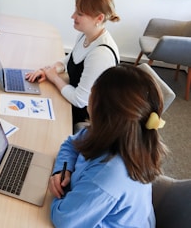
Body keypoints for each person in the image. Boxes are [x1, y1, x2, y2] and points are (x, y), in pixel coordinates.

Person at [48, 64, 168, 227]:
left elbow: (64, 220)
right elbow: (71, 144)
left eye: (92, 94)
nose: (89, 98)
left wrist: (61, 193)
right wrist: (63, 169)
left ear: (103, 113)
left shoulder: (109, 176)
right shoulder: (115, 133)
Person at [25, 0, 120, 127]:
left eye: (79, 14)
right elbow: (71, 59)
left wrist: (54, 78)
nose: (72, 16)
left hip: (87, 116)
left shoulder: (101, 54)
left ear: (99, 19)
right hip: (72, 100)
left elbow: (79, 100)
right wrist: (50, 70)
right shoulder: (85, 35)